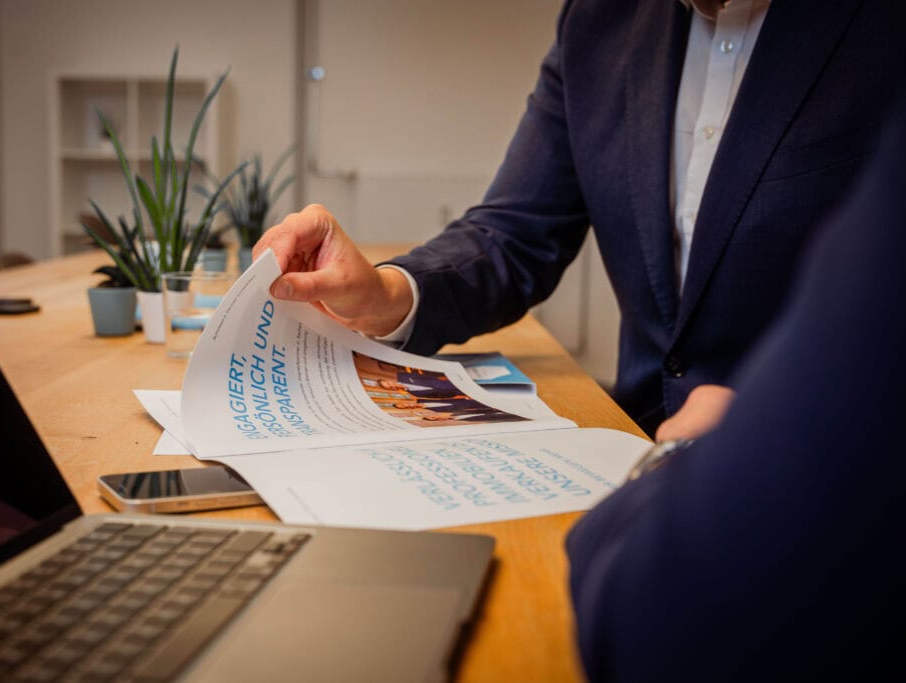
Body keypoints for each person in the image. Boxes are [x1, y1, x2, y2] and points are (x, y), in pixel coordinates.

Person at [255, 0, 906, 435]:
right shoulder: (602, 21)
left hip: (832, 488)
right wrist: (387, 293)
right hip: (631, 454)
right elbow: (513, 234)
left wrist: (793, 421)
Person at [564, 98, 906, 681]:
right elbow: (516, 221)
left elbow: (657, 624)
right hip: (636, 427)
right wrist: (396, 290)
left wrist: (671, 459)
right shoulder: (595, 19)